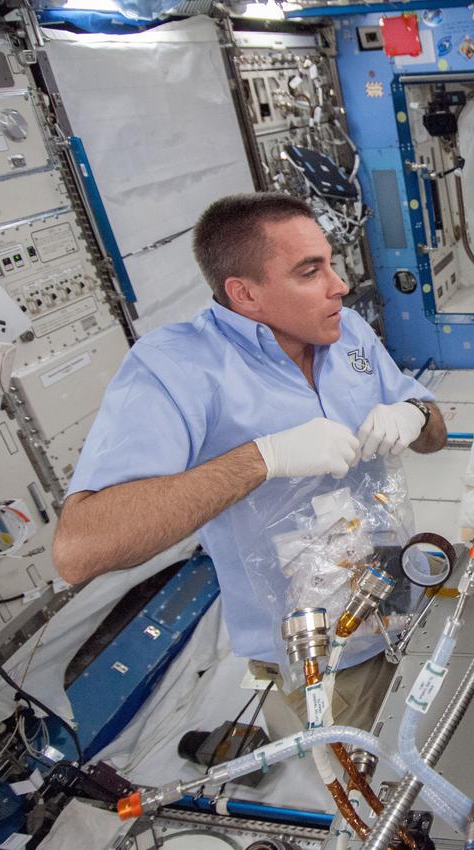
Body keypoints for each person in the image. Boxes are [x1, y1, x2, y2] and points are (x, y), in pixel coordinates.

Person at [52, 192, 446, 731]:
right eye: (310, 271)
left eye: (332, 263)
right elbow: (79, 548)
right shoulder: (177, 368)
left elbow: (434, 434)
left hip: (403, 599)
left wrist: (414, 414)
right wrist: (262, 458)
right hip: (321, 652)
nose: (339, 285)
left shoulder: (347, 331)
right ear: (245, 293)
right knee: (372, 770)